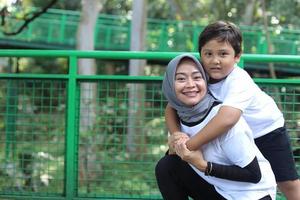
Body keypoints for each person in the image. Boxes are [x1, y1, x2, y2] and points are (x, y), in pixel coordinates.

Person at [165, 21, 300, 199]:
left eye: (223, 54)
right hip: (235, 138)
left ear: (237, 56)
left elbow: (227, 119)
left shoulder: (239, 80)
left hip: (266, 131)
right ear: (201, 55)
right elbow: (171, 107)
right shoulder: (200, 75)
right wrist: (176, 135)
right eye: (208, 54)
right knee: (225, 173)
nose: (215, 61)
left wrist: (187, 147)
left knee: (287, 182)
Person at [155, 53, 276, 200]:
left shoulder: (220, 117)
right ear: (169, 85)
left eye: (197, 77)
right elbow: (180, 155)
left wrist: (203, 165)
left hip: (252, 194)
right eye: (181, 79)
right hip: (219, 189)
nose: (190, 84)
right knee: (166, 166)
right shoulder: (181, 115)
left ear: (206, 81)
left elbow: (254, 174)